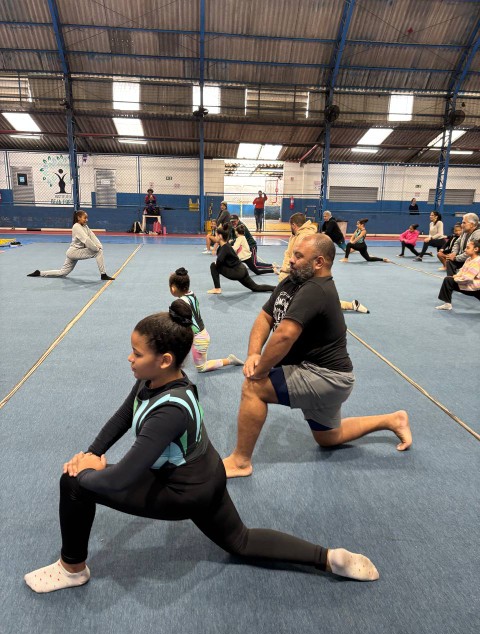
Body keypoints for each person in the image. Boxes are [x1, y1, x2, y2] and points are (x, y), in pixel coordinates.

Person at [24, 305, 380, 594]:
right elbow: (122, 417)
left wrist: (87, 469)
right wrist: (92, 452)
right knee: (241, 541)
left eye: (137, 353)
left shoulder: (169, 411)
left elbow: (122, 479)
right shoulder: (156, 379)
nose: (129, 358)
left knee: (74, 484)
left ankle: (72, 569)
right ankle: (329, 558)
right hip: (208, 474)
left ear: (164, 359)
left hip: (184, 492)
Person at [223, 234, 411, 479]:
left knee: (253, 387)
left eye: (299, 256)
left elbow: (284, 335)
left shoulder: (316, 289)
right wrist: (253, 354)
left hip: (325, 376)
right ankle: (393, 420)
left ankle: (240, 462)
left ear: (319, 262)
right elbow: (265, 317)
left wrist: (260, 370)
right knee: (328, 437)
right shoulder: (292, 281)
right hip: (327, 376)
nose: (291, 260)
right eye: (293, 254)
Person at [169, 267, 244, 371]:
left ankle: (229, 360)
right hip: (201, 335)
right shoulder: (191, 294)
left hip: (199, 339)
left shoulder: (179, 303)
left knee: (201, 367)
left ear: (173, 288)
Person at [27, 210, 115, 280]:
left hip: (73, 252)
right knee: (98, 252)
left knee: (63, 273)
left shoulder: (85, 226)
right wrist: (96, 249)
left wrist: (99, 245)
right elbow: (87, 240)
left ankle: (39, 273)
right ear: (78, 218)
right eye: (85, 218)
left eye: (87, 218)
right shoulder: (76, 227)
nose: (87, 220)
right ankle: (103, 275)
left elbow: (92, 236)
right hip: (74, 252)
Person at [207, 225, 276, 294]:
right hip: (242, 270)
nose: (214, 237)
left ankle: (217, 289)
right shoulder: (224, 247)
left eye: (216, 235)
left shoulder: (225, 248)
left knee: (213, 265)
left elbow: (218, 263)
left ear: (220, 236)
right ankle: (275, 288)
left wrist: (215, 265)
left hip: (237, 272)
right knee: (255, 287)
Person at [435, 239, 480, 310]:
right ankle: (447, 304)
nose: (465, 250)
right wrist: (455, 276)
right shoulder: (468, 259)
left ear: (476, 249)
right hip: (469, 285)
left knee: (449, 280)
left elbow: (468, 278)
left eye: (468, 248)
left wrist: (455, 278)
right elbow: (461, 271)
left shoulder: (478, 261)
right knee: (448, 280)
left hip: (475, 287)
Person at [278, 212, 317, 281]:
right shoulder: (296, 235)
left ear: (293, 225)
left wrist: (285, 269)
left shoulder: (304, 236)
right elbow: (289, 253)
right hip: (293, 271)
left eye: (290, 225)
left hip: (298, 274)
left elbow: (301, 259)